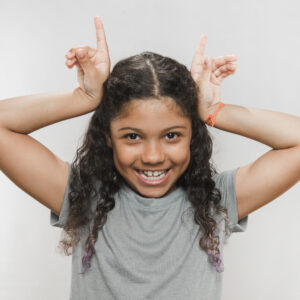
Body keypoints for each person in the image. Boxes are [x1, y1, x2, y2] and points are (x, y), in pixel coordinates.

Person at [0, 16, 299, 300]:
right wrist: (84, 98)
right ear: (108, 136)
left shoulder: (216, 202)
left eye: (171, 135)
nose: (153, 156)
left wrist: (214, 111)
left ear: (192, 135)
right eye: (132, 136)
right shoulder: (83, 196)